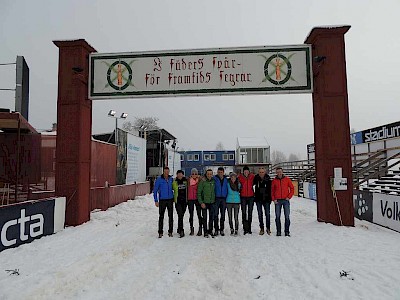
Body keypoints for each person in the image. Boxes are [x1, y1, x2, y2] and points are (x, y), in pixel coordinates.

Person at [271, 167, 294, 237]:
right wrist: (273, 199)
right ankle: (278, 231)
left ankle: (287, 231)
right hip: (277, 201)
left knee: (287, 216)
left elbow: (292, 188)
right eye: (277, 172)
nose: (279, 173)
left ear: (282, 172)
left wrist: (289, 197)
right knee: (277, 216)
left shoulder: (287, 179)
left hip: (285, 200)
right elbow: (272, 191)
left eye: (280, 172)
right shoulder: (274, 181)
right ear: (276, 173)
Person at [153, 166, 174, 238]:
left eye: (167, 172)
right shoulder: (159, 179)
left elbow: (174, 188)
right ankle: (160, 232)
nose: (166, 173)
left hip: (170, 199)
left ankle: (170, 231)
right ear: (163, 172)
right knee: (161, 216)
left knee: (170, 216)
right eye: (165, 172)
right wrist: (156, 200)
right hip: (162, 200)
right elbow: (155, 191)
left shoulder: (171, 179)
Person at [253, 167, 272, 235]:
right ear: (258, 172)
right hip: (258, 200)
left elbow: (270, 190)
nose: (261, 173)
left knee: (267, 214)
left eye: (262, 172)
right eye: (260, 172)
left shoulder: (268, 179)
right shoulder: (256, 179)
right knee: (260, 214)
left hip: (266, 200)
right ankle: (262, 228)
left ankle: (268, 228)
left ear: (265, 172)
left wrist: (270, 199)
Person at [197, 169, 216, 238]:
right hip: (204, 203)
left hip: (212, 202)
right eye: (208, 174)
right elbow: (198, 193)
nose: (209, 175)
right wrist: (201, 202)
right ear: (206, 174)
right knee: (204, 218)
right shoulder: (203, 182)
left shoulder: (214, 181)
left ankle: (210, 230)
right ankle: (205, 232)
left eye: (210, 174)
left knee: (211, 218)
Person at [238, 166, 255, 234]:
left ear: (249, 171)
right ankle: (245, 228)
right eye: (245, 171)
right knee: (244, 213)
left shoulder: (252, 176)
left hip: (251, 197)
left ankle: (249, 228)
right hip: (243, 197)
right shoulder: (240, 177)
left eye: (247, 171)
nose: (246, 172)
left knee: (250, 212)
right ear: (243, 171)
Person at [187, 168, 203, 236]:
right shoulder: (188, 180)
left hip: (197, 199)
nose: (194, 175)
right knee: (191, 215)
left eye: (195, 174)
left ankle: (200, 228)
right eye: (193, 174)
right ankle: (192, 228)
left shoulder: (200, 180)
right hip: (190, 199)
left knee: (199, 214)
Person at [213, 167, 228, 236]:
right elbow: (207, 177)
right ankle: (216, 229)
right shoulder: (214, 179)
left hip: (224, 199)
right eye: (218, 172)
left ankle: (221, 229)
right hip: (216, 198)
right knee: (215, 215)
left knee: (223, 215)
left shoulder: (226, 179)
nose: (220, 173)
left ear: (223, 172)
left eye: (221, 172)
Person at [173, 170, 188, 238]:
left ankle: (179, 228)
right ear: (177, 175)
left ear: (183, 175)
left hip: (184, 201)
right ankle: (181, 230)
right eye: (178, 174)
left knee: (181, 215)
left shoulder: (186, 181)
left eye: (181, 174)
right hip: (178, 201)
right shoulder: (174, 182)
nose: (180, 175)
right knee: (180, 214)